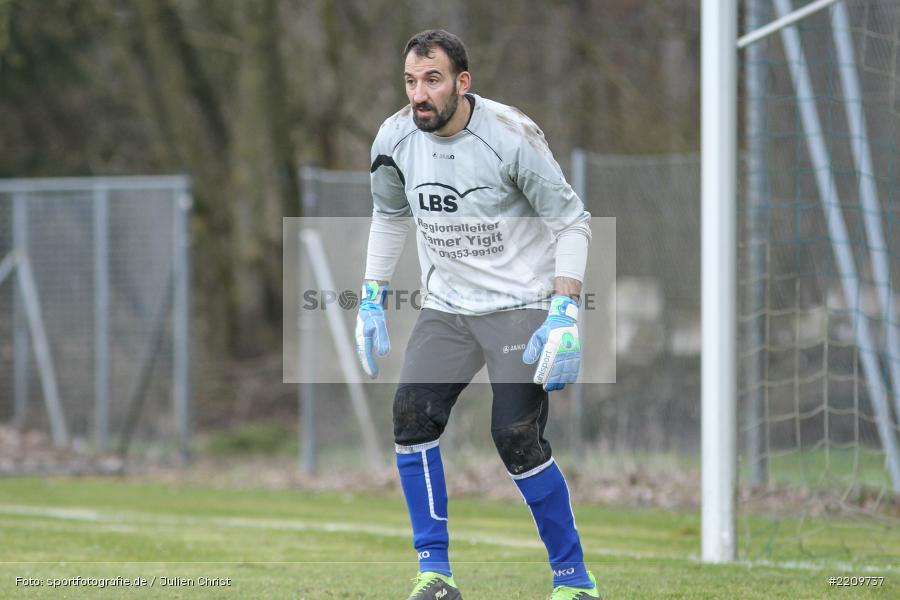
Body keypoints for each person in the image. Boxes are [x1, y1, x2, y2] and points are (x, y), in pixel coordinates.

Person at [355, 29, 599, 600]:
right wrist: (371, 298)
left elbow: (572, 221)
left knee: (516, 439)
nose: (419, 94)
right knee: (411, 420)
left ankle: (575, 581)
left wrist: (563, 312)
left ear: (463, 83)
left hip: (520, 307)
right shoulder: (394, 138)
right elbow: (388, 216)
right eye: (411, 81)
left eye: (432, 80)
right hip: (446, 308)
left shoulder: (512, 136)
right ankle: (434, 576)